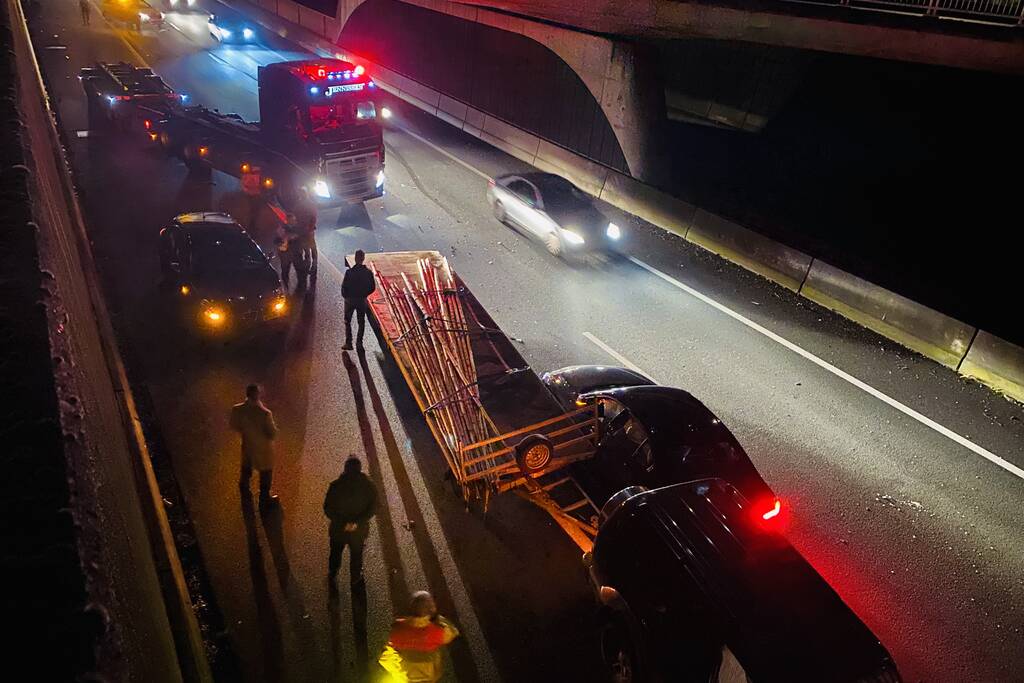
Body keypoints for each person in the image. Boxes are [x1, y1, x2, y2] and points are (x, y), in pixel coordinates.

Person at [378, 591, 460, 683]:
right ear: (431, 610)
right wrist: (438, 618)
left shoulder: (398, 629)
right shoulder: (438, 632)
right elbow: (453, 632)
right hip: (429, 679)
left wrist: (398, 672)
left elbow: (385, 658)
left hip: (405, 678)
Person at [323, 456, 377, 586]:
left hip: (338, 529)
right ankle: (355, 577)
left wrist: (342, 522)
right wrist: (357, 522)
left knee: (336, 551)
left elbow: (327, 507)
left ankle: (333, 572)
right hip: (358, 530)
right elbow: (374, 507)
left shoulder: (336, 485)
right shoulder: (369, 486)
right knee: (356, 554)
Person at [230, 384, 280, 510]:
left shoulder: (237, 409)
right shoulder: (264, 413)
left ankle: (244, 489)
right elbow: (272, 433)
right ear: (257, 394)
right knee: (266, 473)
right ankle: (264, 499)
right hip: (263, 450)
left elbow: (234, 425)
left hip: (247, 446)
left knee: (246, 469)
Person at [341, 249, 375, 351]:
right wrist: (364, 294)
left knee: (347, 321)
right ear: (363, 259)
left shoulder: (349, 272)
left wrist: (346, 297)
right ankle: (359, 343)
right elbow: (372, 287)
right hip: (361, 300)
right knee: (361, 322)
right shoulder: (368, 273)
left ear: (355, 259)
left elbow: (344, 287)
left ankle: (348, 343)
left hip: (350, 300)